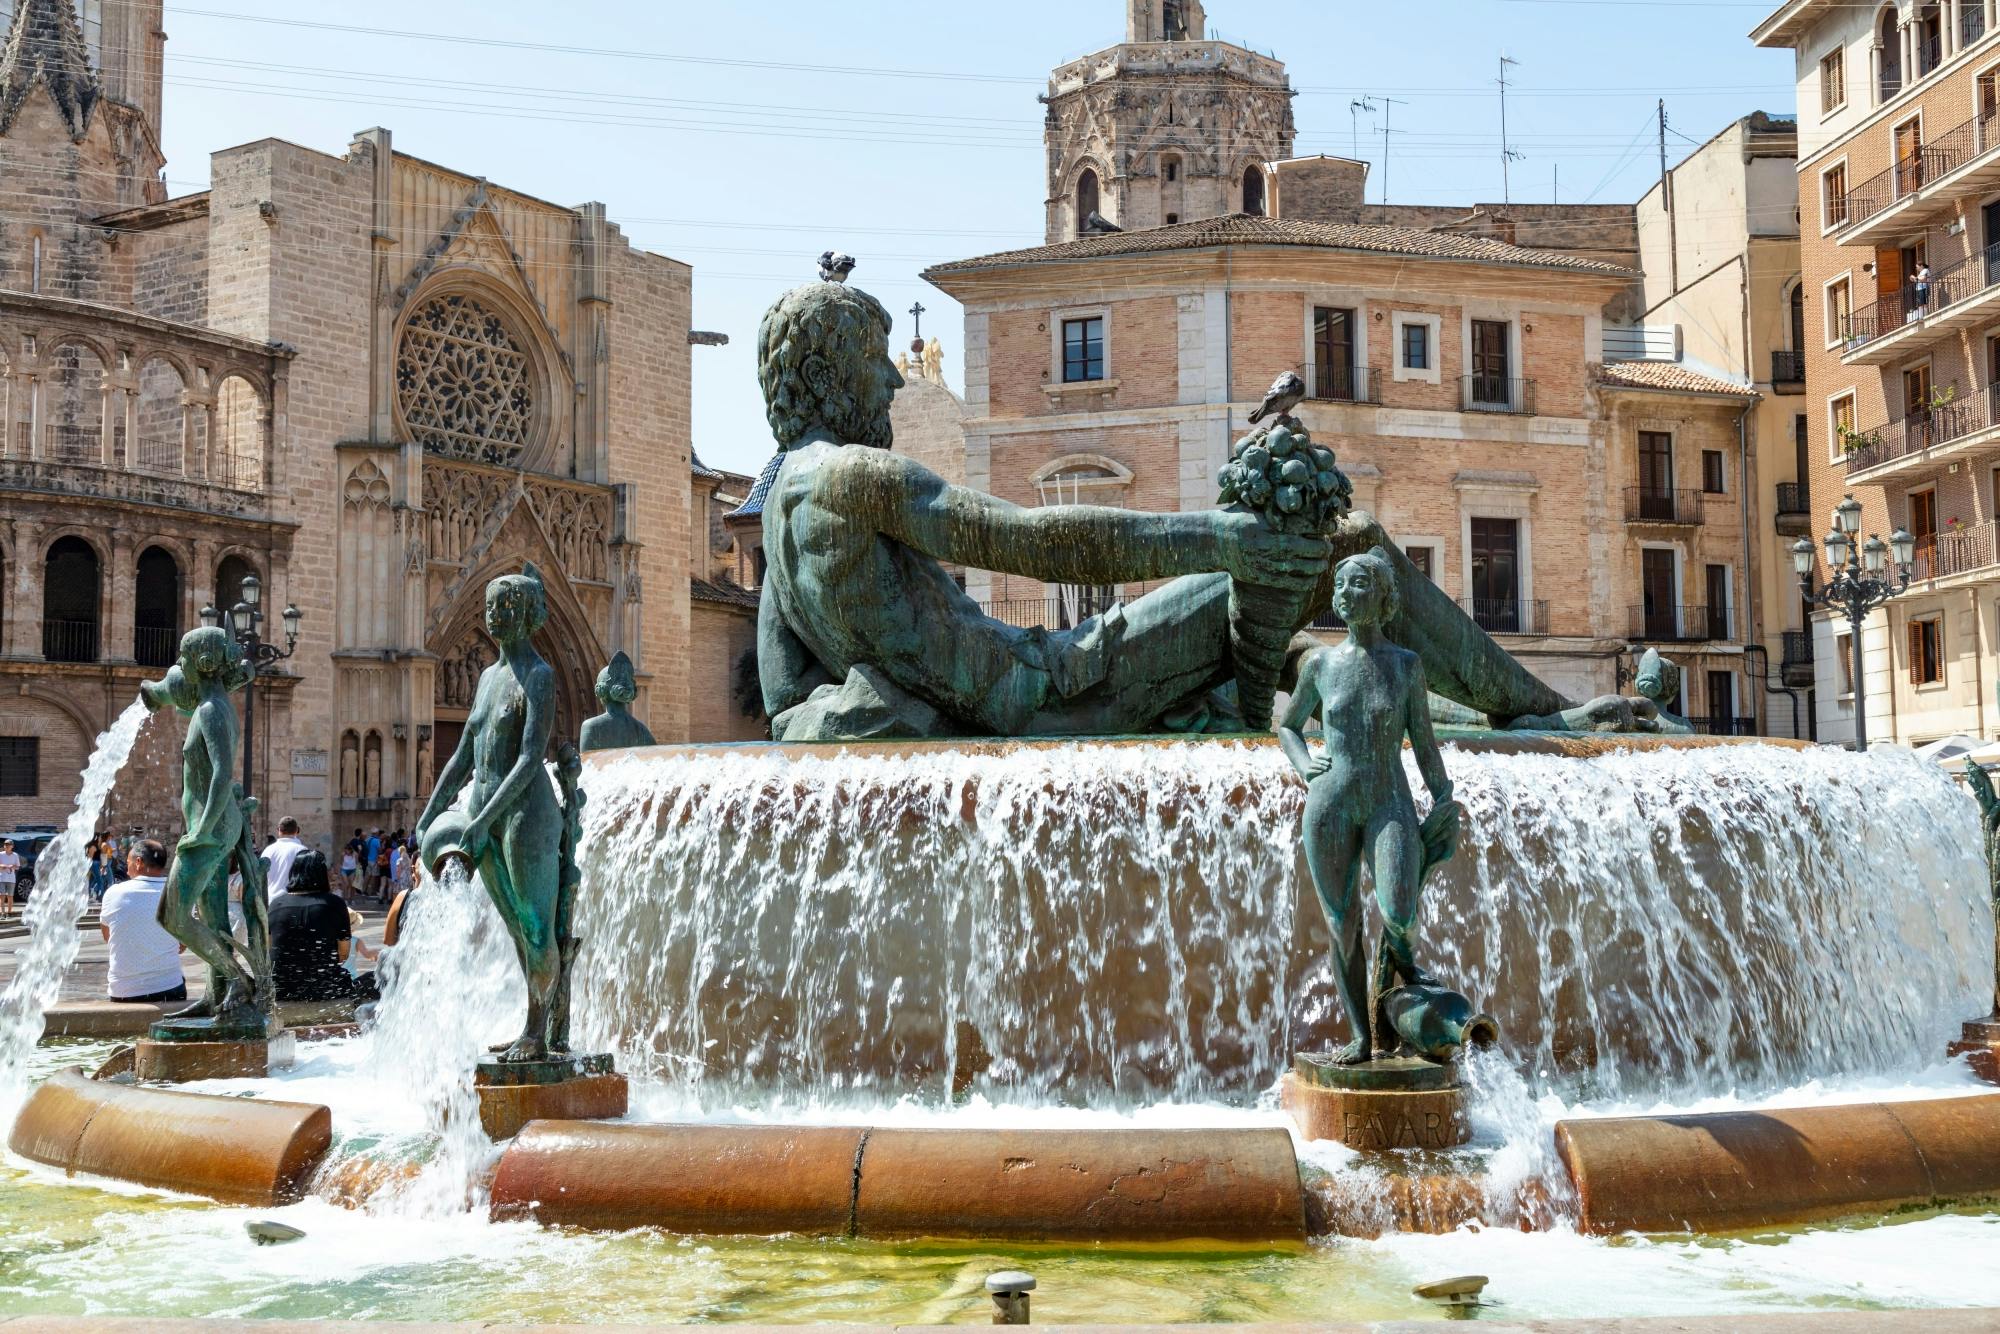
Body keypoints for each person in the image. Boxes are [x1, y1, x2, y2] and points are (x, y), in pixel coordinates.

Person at [1278, 547, 1464, 1064]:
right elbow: (1288, 725)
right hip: (1330, 803)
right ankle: (1364, 1035)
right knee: (1342, 925)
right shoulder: (1319, 665)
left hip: (1389, 799)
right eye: (1340, 585)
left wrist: (1443, 795)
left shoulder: (1405, 667)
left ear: (1383, 598)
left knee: (1399, 910)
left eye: (1357, 584)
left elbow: (1424, 743)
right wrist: (1302, 764)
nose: (1344, 593)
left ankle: (1405, 972)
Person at [268, 850, 376, 1002]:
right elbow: (343, 954)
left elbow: (269, 947)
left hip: (282, 988)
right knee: (377, 979)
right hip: (325, 988)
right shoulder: (334, 904)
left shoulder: (276, 905)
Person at [100, 840, 187, 1003]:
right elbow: (183, 944)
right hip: (169, 989)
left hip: (123, 991)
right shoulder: (178, 893)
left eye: (128, 863)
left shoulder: (114, 893)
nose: (126, 869)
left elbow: (108, 937)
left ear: (138, 862)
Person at [264, 817, 309, 903]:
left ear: (279, 830)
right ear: (297, 830)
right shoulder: (303, 851)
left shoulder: (268, 850)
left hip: (271, 902)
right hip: (294, 903)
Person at [0, 839, 18, 920]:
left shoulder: (15, 855)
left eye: (8, 845)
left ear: (12, 846)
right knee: (2, 896)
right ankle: (2, 913)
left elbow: (17, 866)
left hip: (11, 878)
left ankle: (9, 913)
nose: (7, 846)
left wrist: (12, 866)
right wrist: (3, 866)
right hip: (1, 878)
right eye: (5, 844)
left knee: (10, 896)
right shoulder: (0, 854)